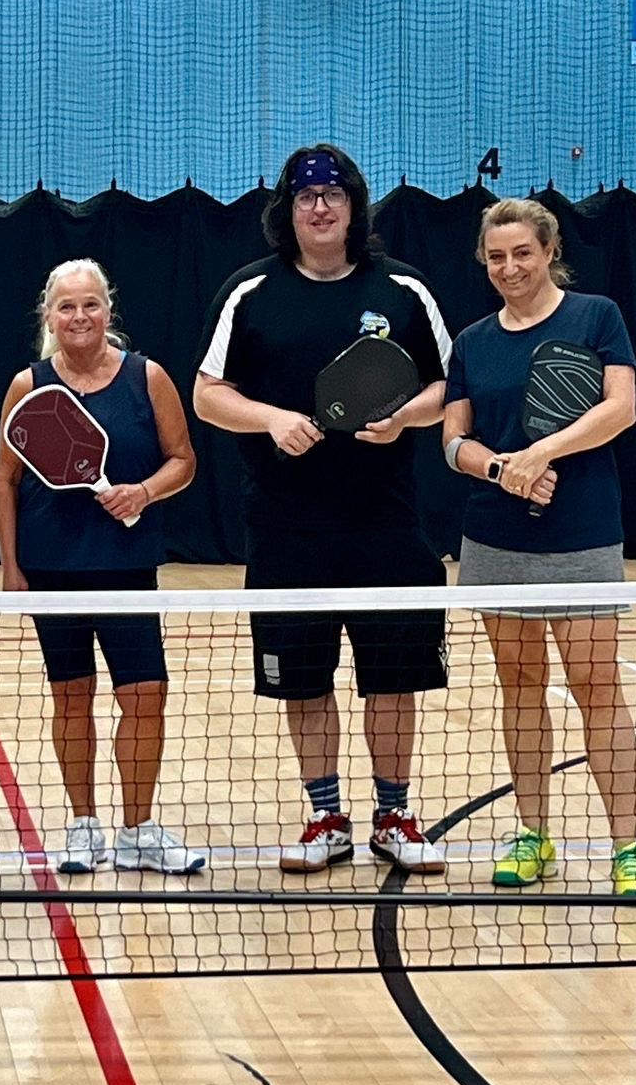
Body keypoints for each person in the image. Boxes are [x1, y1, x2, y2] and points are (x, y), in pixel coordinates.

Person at [194, 143, 453, 877]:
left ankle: (394, 815)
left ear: (353, 206)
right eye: (306, 196)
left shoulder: (404, 290)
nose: (319, 207)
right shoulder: (250, 292)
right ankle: (326, 817)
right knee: (304, 682)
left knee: (393, 680)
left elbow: (448, 386)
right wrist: (272, 419)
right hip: (286, 530)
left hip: (387, 526)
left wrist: (405, 418)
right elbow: (207, 394)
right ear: (288, 210)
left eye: (333, 194)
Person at [440, 198, 636, 896]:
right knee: (521, 684)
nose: (510, 268)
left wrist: (541, 453)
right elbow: (453, 441)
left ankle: (628, 848)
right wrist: (501, 469)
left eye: (522, 253)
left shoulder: (596, 317)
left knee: (597, 687)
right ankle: (533, 834)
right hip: (495, 533)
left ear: (549, 250)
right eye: (496, 257)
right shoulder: (472, 341)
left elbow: (620, 409)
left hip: (581, 530)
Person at [0, 259, 203, 875]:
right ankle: (84, 827)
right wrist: (11, 568)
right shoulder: (28, 386)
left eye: (90, 304)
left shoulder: (147, 377)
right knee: (71, 697)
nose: (79, 316)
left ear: (108, 310)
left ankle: (137, 831)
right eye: (67, 306)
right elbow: (4, 479)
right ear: (48, 316)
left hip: (128, 567)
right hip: (52, 568)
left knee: (145, 696)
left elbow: (183, 460)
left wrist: (143, 493)